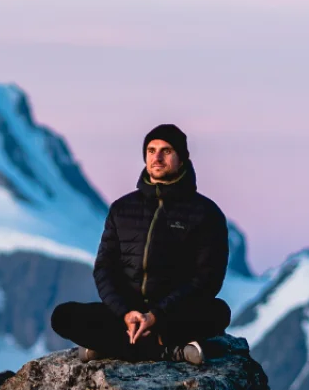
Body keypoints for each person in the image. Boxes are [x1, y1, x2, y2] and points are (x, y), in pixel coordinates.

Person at [51, 124, 232, 364]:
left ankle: (111, 346)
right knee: (63, 316)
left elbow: (207, 280)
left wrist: (157, 315)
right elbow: (104, 268)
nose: (156, 157)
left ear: (182, 158)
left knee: (218, 313)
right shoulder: (122, 209)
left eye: (166, 151)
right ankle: (169, 351)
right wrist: (125, 313)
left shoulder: (206, 213)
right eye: (151, 150)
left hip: (173, 315)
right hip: (127, 314)